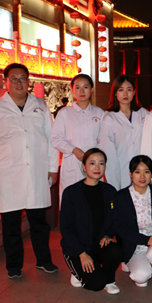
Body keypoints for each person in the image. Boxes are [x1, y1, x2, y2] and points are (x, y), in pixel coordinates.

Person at [0, 63, 59, 279]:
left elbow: (51, 140)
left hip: (37, 173)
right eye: (13, 78)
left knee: (39, 223)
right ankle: (14, 266)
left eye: (22, 78)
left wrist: (53, 168)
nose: (18, 82)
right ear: (6, 81)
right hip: (8, 175)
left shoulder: (40, 106)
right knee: (11, 225)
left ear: (28, 81)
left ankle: (44, 261)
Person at [60, 148, 122, 294]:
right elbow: (66, 229)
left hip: (97, 245)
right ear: (84, 166)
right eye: (92, 163)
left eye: (101, 163)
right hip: (76, 248)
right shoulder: (71, 193)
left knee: (116, 250)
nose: (97, 167)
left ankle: (109, 280)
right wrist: (82, 254)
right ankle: (77, 271)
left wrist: (108, 234)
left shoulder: (110, 191)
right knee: (96, 284)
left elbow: (115, 219)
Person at [113, 155, 152, 294]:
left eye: (146, 171)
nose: (142, 176)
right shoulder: (121, 197)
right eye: (137, 172)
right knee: (141, 277)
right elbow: (120, 227)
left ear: (151, 173)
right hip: (135, 244)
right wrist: (146, 240)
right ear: (130, 174)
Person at [51, 74, 105, 205]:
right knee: (73, 202)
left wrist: (94, 154)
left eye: (85, 87)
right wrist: (74, 150)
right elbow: (55, 138)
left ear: (91, 89)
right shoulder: (65, 113)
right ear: (72, 89)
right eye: (78, 87)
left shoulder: (99, 113)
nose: (81, 91)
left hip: (95, 164)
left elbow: (104, 139)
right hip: (73, 164)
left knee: (94, 203)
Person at [99, 75, 148, 191]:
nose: (125, 94)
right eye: (121, 90)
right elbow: (108, 153)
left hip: (143, 170)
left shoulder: (143, 113)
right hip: (121, 170)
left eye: (129, 90)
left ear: (134, 92)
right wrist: (114, 182)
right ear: (115, 93)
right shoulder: (109, 118)